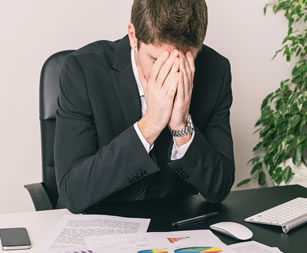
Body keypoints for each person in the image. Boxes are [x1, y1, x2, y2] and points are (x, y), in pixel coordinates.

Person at [54, 0, 235, 213]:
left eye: (183, 61)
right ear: (133, 36)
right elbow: (72, 193)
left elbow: (219, 189)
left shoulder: (216, 71)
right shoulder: (82, 71)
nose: (171, 75)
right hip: (97, 224)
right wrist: (149, 126)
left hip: (174, 228)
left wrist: (181, 128)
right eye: (156, 60)